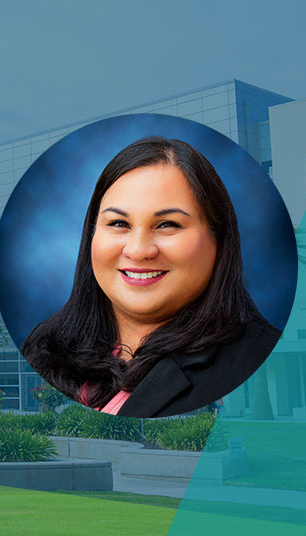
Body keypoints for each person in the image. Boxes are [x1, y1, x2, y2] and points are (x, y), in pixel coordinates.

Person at [20, 137, 280, 418]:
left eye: (168, 224)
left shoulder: (257, 357)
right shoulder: (44, 344)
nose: (139, 250)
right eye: (118, 223)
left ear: (218, 238)